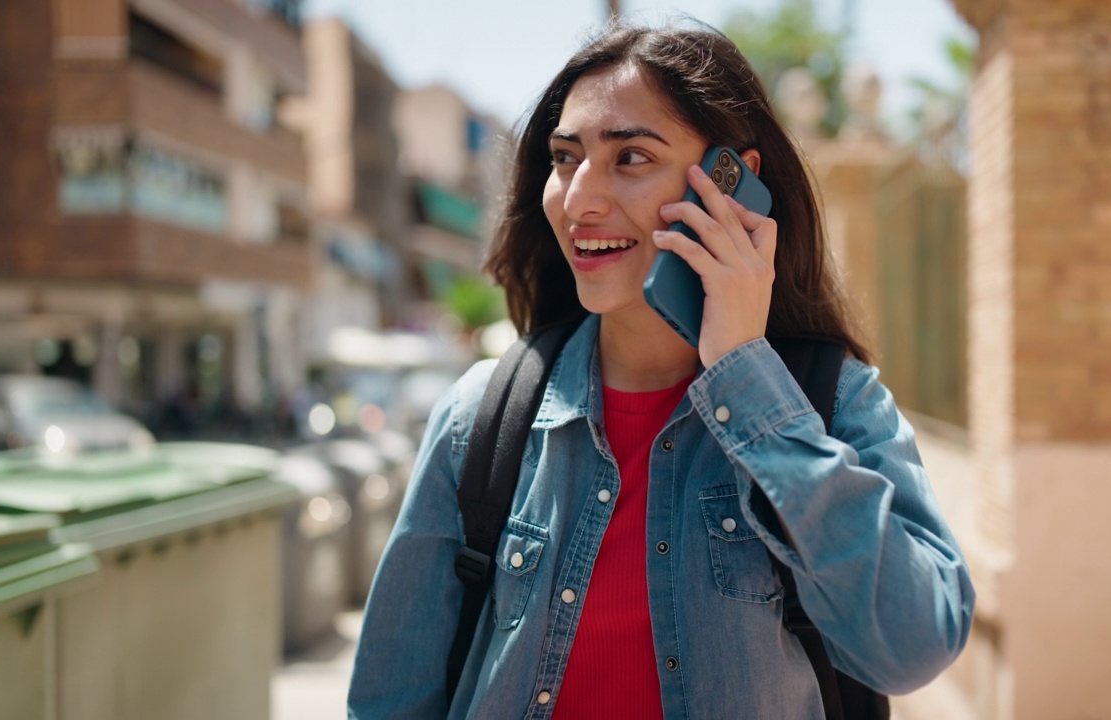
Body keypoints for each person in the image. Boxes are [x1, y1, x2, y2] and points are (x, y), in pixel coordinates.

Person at [348, 20, 974, 719]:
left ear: (730, 184)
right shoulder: (481, 420)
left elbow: (916, 645)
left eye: (631, 158)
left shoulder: (831, 403)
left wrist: (744, 377)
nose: (578, 199)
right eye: (564, 157)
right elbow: (388, 701)